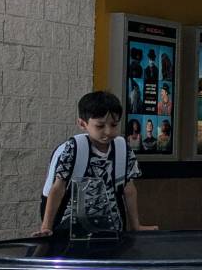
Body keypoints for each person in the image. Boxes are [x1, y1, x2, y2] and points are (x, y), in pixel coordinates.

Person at [36, 91, 155, 236]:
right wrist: (46, 227)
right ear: (82, 124)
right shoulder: (73, 149)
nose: (108, 131)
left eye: (114, 125)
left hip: (112, 229)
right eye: (100, 126)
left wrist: (136, 226)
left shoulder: (123, 148)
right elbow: (57, 189)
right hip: (69, 230)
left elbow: (128, 189)